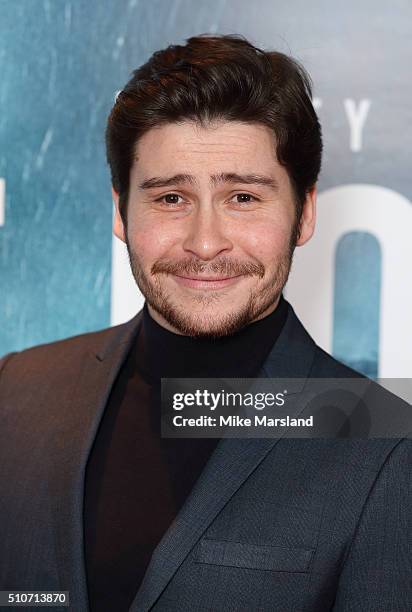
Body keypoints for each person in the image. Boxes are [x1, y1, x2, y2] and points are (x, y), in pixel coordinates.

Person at [0, 34, 411, 612]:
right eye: (171, 199)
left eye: (243, 197)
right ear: (121, 212)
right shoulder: (18, 388)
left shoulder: (387, 443)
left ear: (305, 213)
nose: (205, 243)